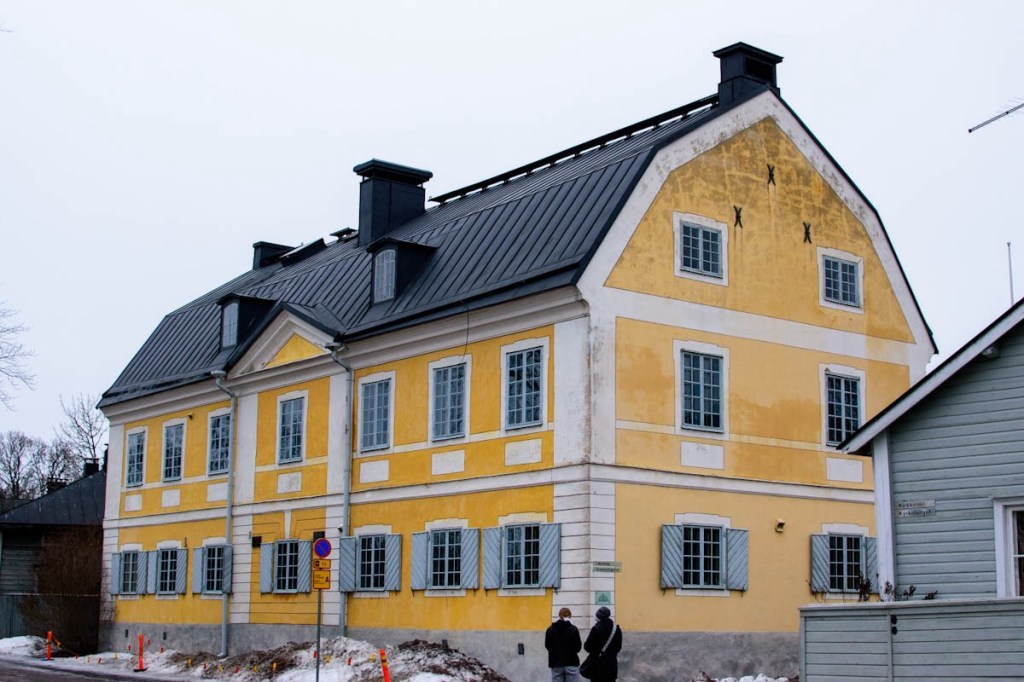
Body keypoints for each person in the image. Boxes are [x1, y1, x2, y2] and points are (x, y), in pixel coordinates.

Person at [581, 606, 622, 681]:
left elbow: (588, 647)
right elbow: (618, 647)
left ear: (599, 616)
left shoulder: (596, 628)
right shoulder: (616, 629)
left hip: (597, 666)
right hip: (611, 667)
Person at [545, 607, 582, 681]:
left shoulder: (550, 629)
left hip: (555, 662)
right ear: (570, 616)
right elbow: (578, 647)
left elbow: (547, 645)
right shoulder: (573, 629)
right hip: (571, 662)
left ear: (559, 616)